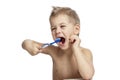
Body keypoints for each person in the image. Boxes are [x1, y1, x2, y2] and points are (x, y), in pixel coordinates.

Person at [22, 6, 95, 80]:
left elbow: (88, 75)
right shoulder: (54, 51)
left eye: (62, 26)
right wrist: (27, 44)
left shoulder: (85, 53)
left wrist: (75, 48)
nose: (57, 31)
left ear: (76, 29)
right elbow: (29, 43)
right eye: (53, 28)